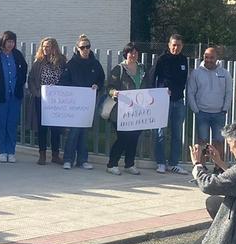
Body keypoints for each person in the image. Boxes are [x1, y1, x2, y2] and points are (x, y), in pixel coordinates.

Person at [59, 34, 104, 170]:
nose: (85, 49)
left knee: (84, 133)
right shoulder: (71, 64)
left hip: (87, 104)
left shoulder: (95, 64)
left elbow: (101, 79)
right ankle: (68, 159)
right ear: (77, 48)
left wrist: (97, 85)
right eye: (83, 47)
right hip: (74, 104)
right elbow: (64, 81)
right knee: (73, 132)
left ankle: (82, 160)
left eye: (88, 47)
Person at [0, 30, 28, 164]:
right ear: (3, 41)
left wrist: (20, 84)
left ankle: (11, 151)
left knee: (12, 124)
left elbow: (24, 70)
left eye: (13, 42)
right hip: (1, 96)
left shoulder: (18, 55)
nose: (10, 44)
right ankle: (2, 151)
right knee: (1, 124)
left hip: (15, 95)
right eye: (8, 41)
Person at [148, 34, 190, 175]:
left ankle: (174, 163)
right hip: (163, 102)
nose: (175, 48)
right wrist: (156, 95)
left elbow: (183, 80)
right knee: (161, 133)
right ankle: (160, 162)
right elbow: (152, 78)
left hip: (178, 101)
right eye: (173, 45)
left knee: (177, 134)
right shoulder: (162, 59)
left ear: (182, 46)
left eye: (178, 45)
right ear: (169, 45)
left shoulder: (184, 60)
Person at [105, 43, 149, 175]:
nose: (133, 55)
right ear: (126, 54)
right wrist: (114, 93)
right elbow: (109, 87)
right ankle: (112, 164)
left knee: (134, 137)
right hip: (121, 111)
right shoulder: (119, 69)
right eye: (131, 52)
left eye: (136, 52)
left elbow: (148, 86)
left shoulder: (142, 69)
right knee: (123, 137)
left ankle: (129, 164)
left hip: (138, 111)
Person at [187, 45, 233, 165]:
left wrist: (225, 108)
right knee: (202, 141)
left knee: (219, 141)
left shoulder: (225, 73)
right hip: (202, 113)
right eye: (206, 57)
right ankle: (201, 167)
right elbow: (190, 92)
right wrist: (195, 109)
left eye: (212, 57)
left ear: (216, 58)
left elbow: (229, 92)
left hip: (219, 113)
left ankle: (219, 167)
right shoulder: (196, 73)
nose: (209, 60)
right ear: (203, 57)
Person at [26, 37, 65, 165]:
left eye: (48, 46)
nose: (45, 49)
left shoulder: (62, 61)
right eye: (43, 46)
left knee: (56, 129)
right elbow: (31, 79)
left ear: (54, 47)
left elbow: (66, 78)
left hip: (57, 101)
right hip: (41, 99)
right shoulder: (39, 62)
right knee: (41, 127)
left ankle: (55, 154)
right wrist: (36, 93)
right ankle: (42, 154)